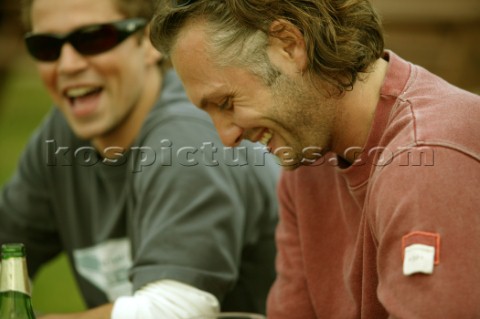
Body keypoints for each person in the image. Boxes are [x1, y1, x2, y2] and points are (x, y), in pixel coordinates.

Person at [150, 0, 480, 318]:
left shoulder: (427, 159)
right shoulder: (307, 159)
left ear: (289, 46)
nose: (226, 137)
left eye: (226, 102)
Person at [0, 0, 280, 318]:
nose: (67, 65)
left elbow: (172, 310)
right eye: (46, 46)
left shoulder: (187, 139)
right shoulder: (61, 137)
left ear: (149, 43)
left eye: (93, 38)